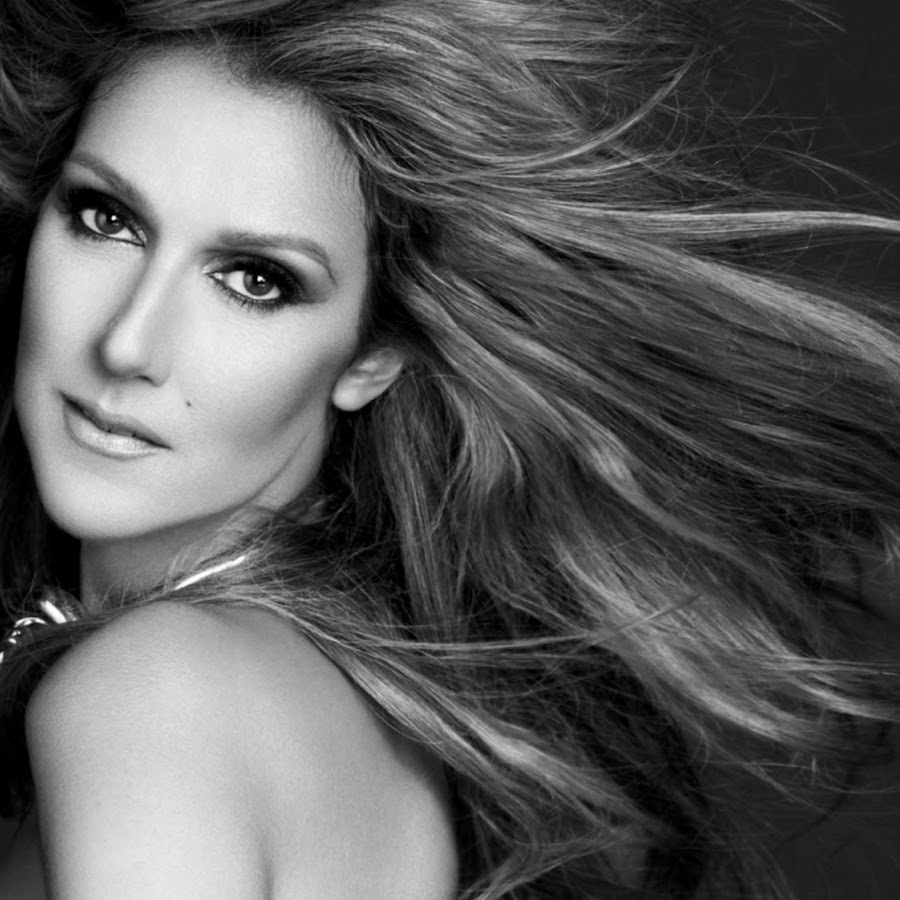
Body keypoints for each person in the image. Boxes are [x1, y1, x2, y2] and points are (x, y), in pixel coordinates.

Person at [1, 0, 900, 897]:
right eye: (105, 219)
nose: (128, 343)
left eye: (256, 281)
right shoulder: (338, 704)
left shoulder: (151, 694)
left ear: (371, 356)